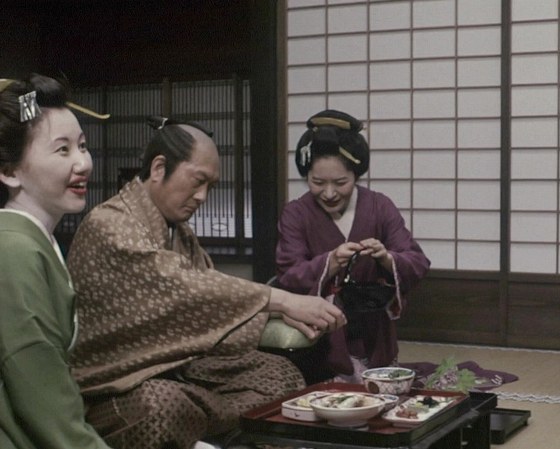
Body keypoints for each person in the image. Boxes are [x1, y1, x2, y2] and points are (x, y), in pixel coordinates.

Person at [67, 116, 347, 449]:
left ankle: (205, 430)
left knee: (278, 375)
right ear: (159, 168)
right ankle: (214, 429)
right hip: (117, 381)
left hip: (179, 366)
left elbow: (208, 299)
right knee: (163, 407)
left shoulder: (179, 232)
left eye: (210, 187)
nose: (202, 196)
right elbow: (185, 286)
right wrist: (283, 300)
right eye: (198, 181)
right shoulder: (109, 225)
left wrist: (272, 313)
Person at [275, 109, 430, 384]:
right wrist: (331, 261)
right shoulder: (296, 213)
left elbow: (416, 261)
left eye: (341, 182)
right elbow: (289, 274)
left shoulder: (380, 206)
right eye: (317, 182)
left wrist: (386, 258)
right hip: (322, 334)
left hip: (374, 326)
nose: (329, 193)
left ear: (356, 175)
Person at [0, 74, 111, 448]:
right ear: (9, 171)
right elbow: (40, 391)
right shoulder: (13, 250)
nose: (83, 163)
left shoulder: (32, 240)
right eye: (62, 150)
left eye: (83, 146)